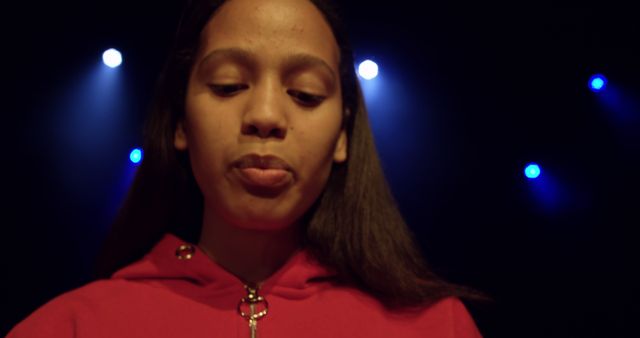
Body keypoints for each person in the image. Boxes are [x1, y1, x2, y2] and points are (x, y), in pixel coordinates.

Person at [8, 0, 485, 337]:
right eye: (229, 85)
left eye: (305, 94)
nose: (266, 116)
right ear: (179, 122)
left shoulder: (435, 326)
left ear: (343, 136)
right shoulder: (72, 326)